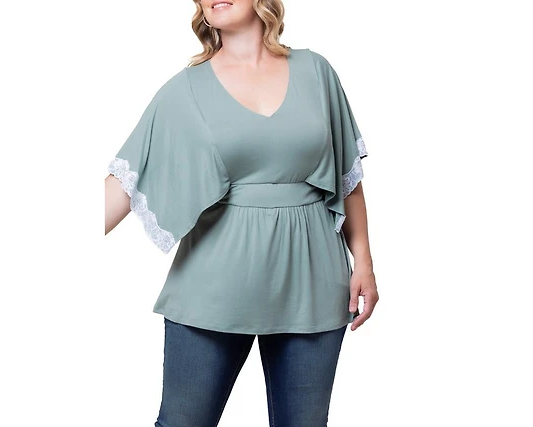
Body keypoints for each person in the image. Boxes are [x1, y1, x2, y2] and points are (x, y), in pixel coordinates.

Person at [104, 0, 379, 425]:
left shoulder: (316, 71)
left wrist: (363, 261)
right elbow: (124, 183)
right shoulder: (184, 90)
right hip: (214, 285)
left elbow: (347, 177)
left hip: (313, 280)